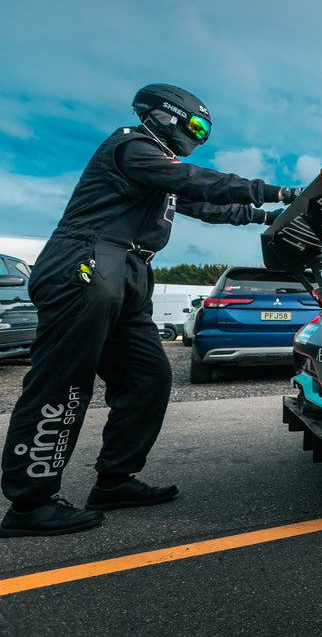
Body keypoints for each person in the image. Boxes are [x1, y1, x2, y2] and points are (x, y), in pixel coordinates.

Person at [0, 84, 299, 537]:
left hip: (126, 272)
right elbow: (197, 180)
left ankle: (114, 482)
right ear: (165, 116)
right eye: (196, 126)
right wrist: (279, 191)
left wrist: (272, 216)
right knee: (62, 381)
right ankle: (29, 504)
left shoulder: (158, 174)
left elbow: (209, 204)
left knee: (148, 377)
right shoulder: (132, 145)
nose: (198, 137)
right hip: (88, 260)